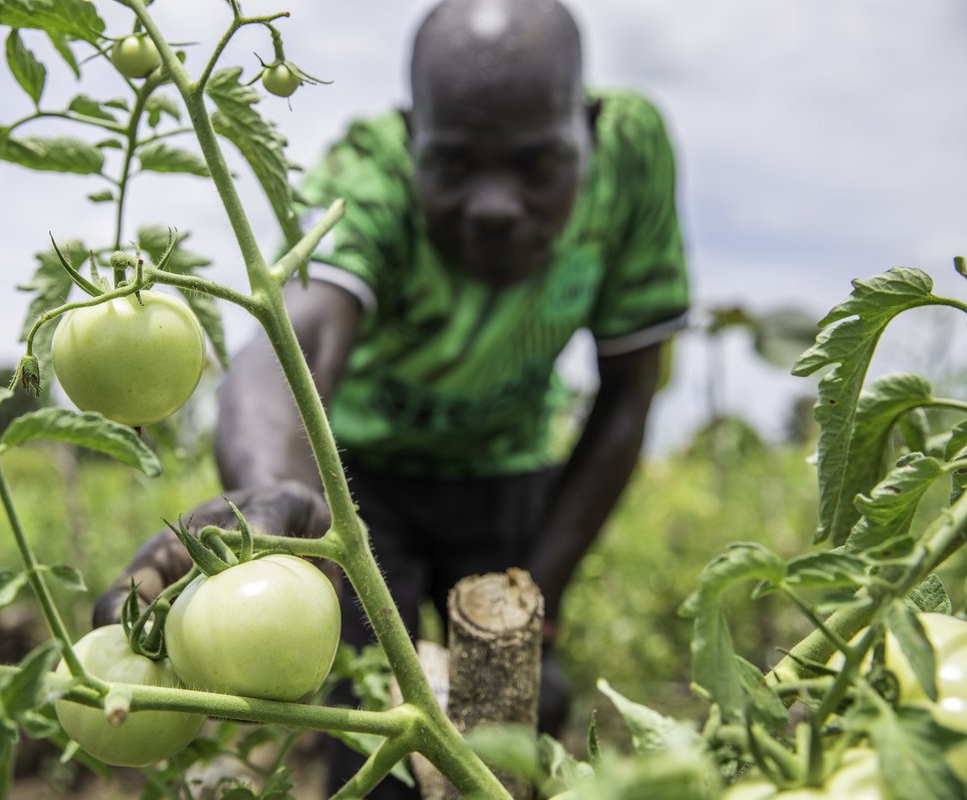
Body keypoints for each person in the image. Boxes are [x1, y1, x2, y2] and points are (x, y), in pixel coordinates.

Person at [95, 0, 689, 794]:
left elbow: (627, 397)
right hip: (356, 484)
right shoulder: (367, 175)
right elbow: (294, 343)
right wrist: (278, 499)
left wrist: (536, 601)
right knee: (377, 745)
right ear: (412, 141)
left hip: (505, 473)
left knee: (509, 728)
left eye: (538, 165)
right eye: (451, 165)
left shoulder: (633, 159)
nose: (495, 207)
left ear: (586, 127)